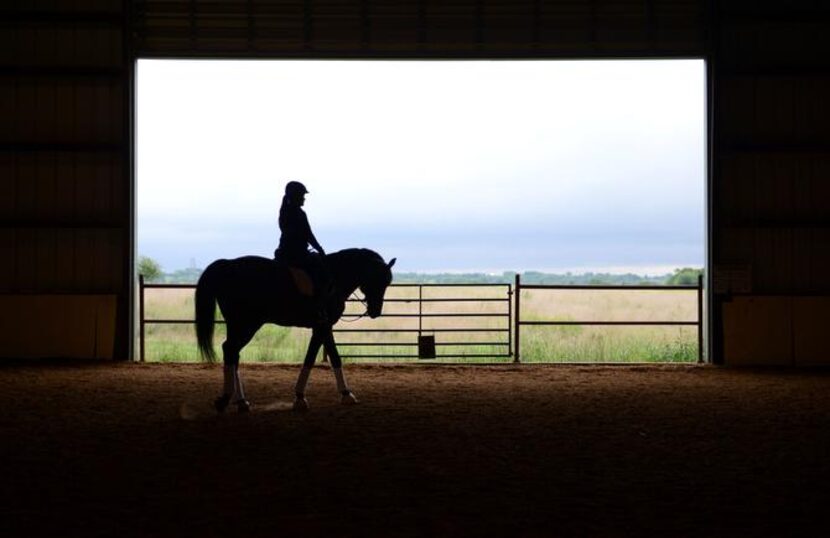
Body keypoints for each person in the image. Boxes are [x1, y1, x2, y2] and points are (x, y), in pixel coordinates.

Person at [273, 181, 330, 322]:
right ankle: (318, 308)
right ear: (296, 196)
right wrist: (320, 250)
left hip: (285, 252)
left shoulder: (285, 212)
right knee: (320, 274)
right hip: (296, 254)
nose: (304, 198)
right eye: (302, 195)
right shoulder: (298, 213)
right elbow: (308, 235)